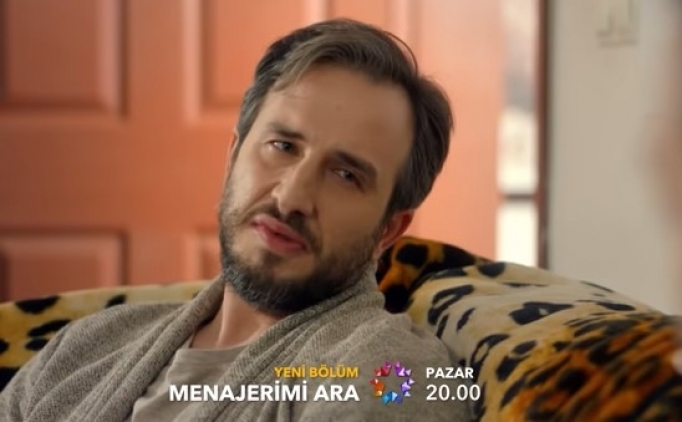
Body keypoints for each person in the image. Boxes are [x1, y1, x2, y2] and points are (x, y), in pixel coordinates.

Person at [0, 19, 472, 421]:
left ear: (388, 230)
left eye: (346, 175)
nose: (291, 198)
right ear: (233, 157)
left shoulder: (392, 375)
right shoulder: (85, 347)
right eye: (282, 146)